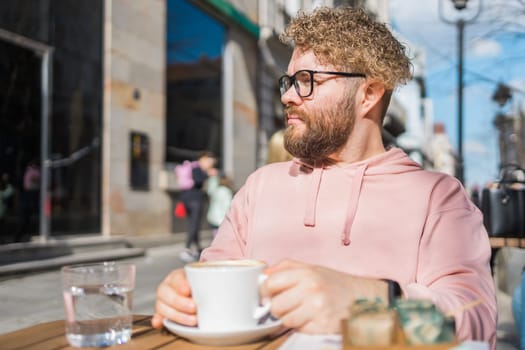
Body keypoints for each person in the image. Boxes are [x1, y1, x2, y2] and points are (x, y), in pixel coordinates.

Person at [153, 6, 496, 347]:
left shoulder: (437, 197)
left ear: (369, 94)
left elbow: (477, 322)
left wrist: (374, 300)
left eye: (306, 81)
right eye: (289, 81)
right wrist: (184, 295)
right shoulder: (259, 186)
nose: (287, 96)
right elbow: (213, 280)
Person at [178, 152, 216, 262]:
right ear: (203, 159)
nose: (210, 164)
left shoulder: (192, 167)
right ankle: (187, 248)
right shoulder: (196, 168)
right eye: (209, 161)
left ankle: (197, 248)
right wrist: (208, 174)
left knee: (193, 224)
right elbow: (198, 180)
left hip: (187, 197)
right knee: (194, 224)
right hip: (194, 199)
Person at [206, 171, 234, 237]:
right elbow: (227, 206)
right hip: (222, 218)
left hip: (213, 217)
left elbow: (210, 189)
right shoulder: (226, 191)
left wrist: (213, 177)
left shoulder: (215, 190)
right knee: (221, 238)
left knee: (215, 236)